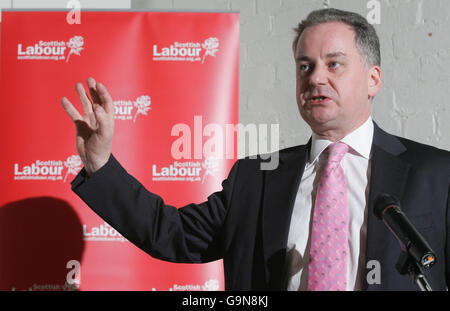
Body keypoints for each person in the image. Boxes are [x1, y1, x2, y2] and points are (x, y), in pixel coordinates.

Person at [62, 8, 450, 291]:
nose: (315, 77)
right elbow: (172, 234)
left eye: (334, 64)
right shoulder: (256, 177)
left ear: (373, 79)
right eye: (304, 66)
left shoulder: (435, 174)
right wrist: (100, 163)